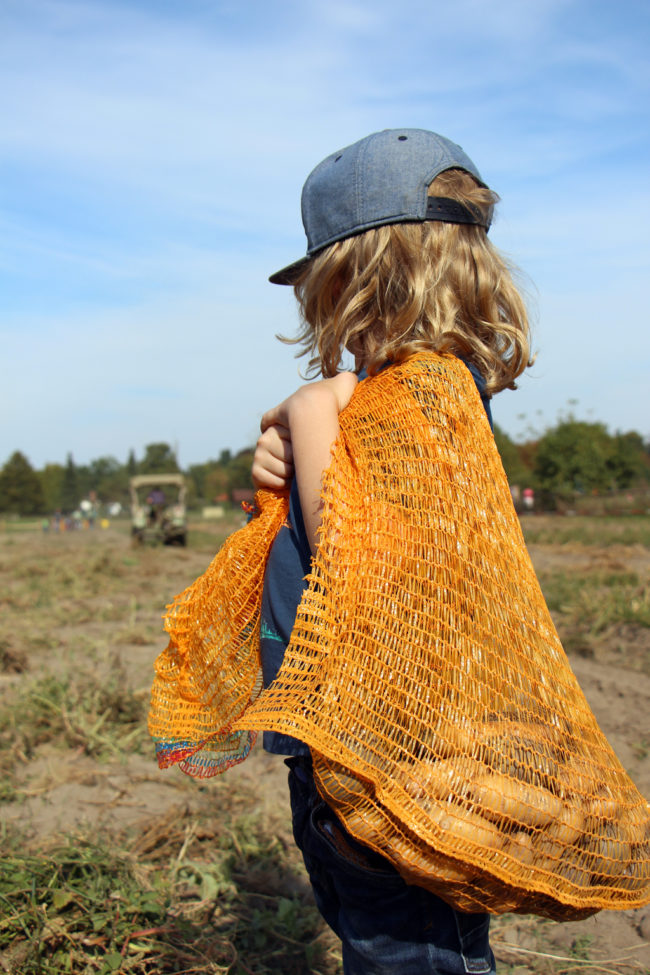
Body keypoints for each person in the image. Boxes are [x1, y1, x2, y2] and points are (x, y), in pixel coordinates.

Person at [248, 128, 532, 974]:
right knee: (378, 936)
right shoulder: (397, 396)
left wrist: (309, 415)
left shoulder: (428, 395)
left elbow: (360, 553)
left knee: (413, 952)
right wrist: (292, 442)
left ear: (357, 274)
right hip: (342, 741)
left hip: (400, 755)